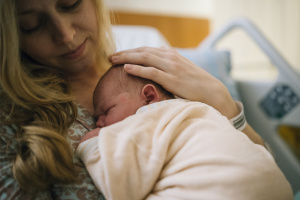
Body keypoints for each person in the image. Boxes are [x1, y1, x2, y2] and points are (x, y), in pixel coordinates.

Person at [0, 0, 288, 199]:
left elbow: (258, 168)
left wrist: (224, 106)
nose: (66, 34)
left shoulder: (154, 73)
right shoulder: (14, 116)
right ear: (11, 34)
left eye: (70, 3)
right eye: (32, 24)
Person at [76, 64, 293, 200]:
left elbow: (123, 186)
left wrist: (90, 146)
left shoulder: (148, 117)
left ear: (149, 97)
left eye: (106, 111)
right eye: (97, 121)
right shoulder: (201, 111)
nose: (100, 124)